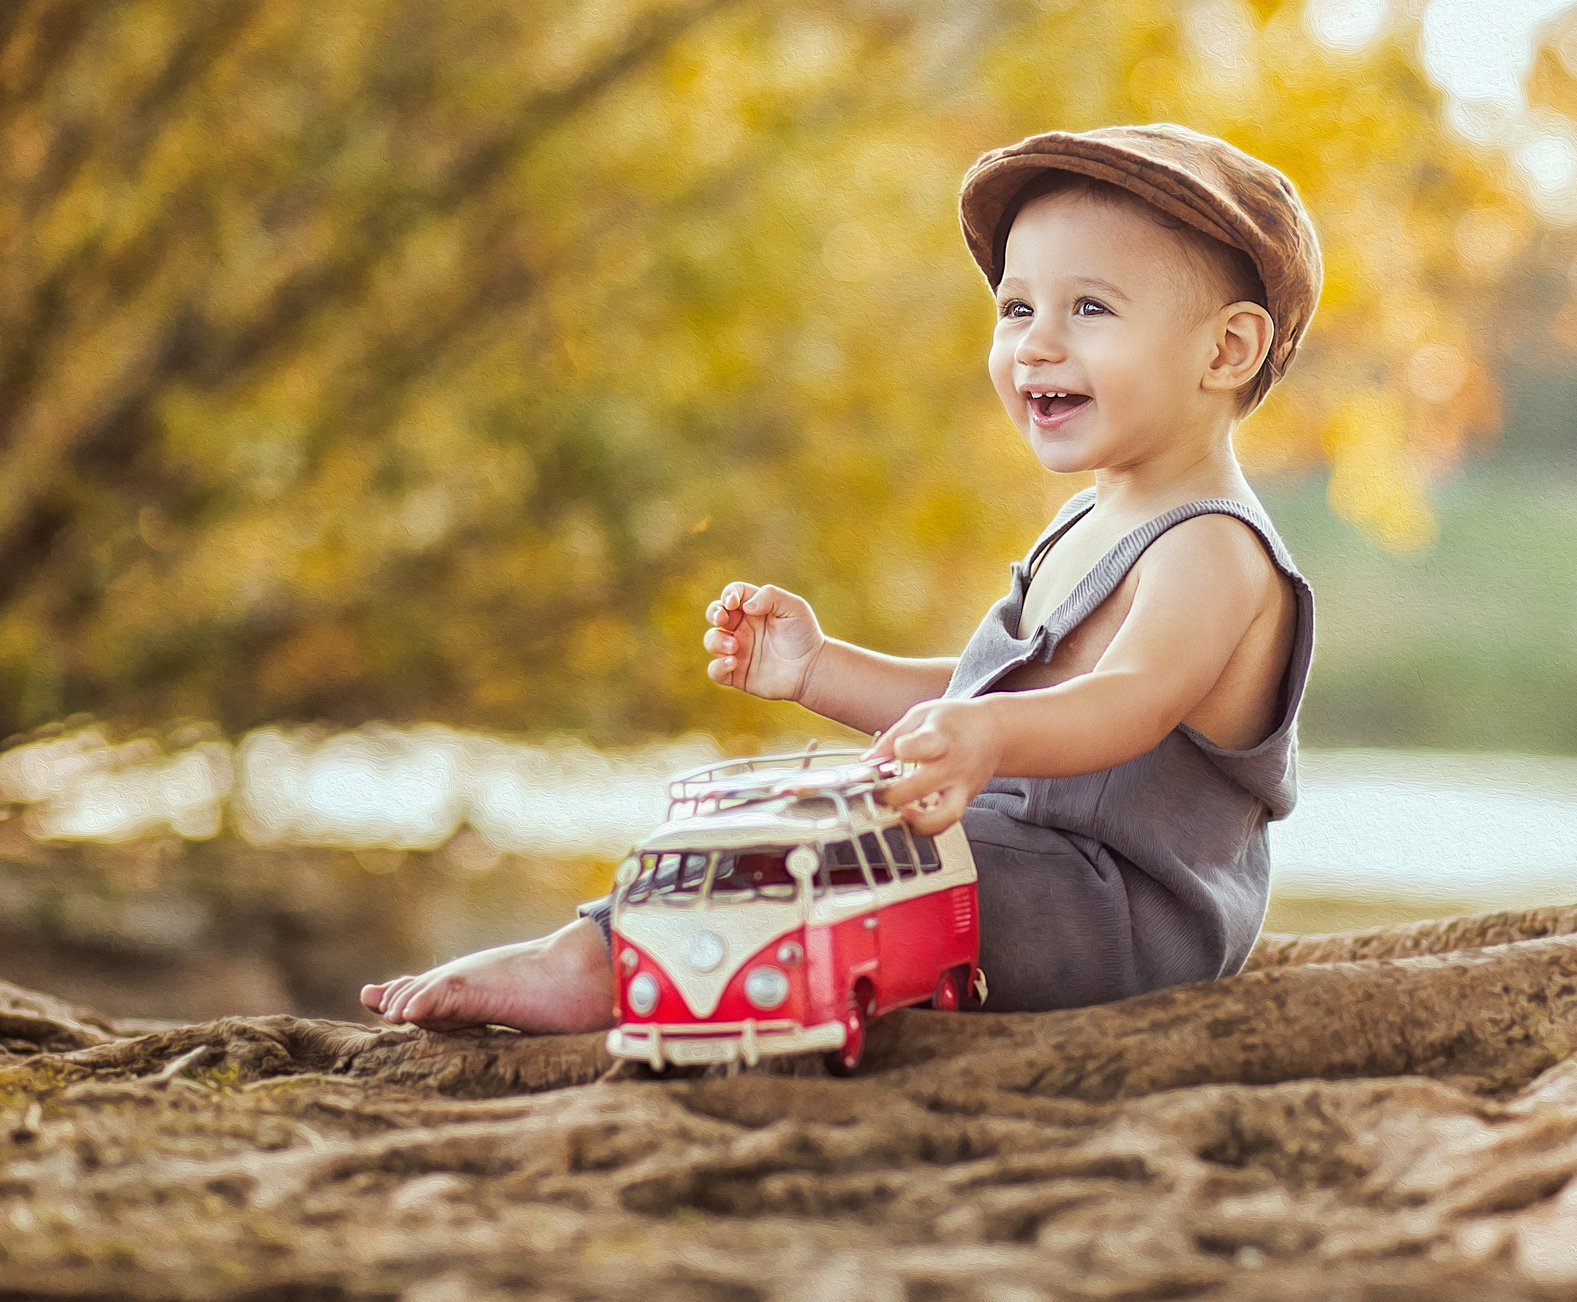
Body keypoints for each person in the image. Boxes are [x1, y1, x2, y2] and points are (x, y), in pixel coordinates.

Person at [360, 123, 1320, 1029]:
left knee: (847, 846)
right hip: (1014, 872)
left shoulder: (1212, 547)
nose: (1035, 343)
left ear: (1226, 350)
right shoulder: (1093, 517)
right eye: (1017, 307)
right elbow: (972, 696)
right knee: (774, 809)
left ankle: (605, 969)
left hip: (1115, 918)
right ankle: (613, 948)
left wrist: (985, 735)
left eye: (1090, 308)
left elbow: (1130, 702)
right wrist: (818, 669)